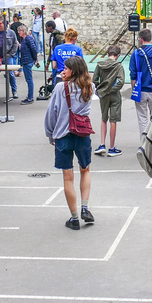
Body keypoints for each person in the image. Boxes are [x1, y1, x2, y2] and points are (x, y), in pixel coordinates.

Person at [43, 55, 96, 229]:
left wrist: (50, 134)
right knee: (85, 169)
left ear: (73, 70)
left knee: (68, 177)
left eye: (65, 68)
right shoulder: (89, 87)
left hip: (63, 135)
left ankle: (74, 218)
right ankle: (85, 207)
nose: (62, 70)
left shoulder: (60, 88)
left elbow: (52, 113)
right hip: (82, 133)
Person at [93, 45, 125, 157]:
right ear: (118, 56)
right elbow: (121, 82)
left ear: (107, 54)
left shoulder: (100, 65)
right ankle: (112, 147)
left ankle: (102, 144)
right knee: (113, 120)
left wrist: (101, 89)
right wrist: (111, 89)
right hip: (114, 95)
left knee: (103, 118)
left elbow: (94, 80)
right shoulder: (119, 66)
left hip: (103, 95)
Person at [0, 18, 20, 102]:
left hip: (8, 56)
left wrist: (11, 54)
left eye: (0, 23)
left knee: (11, 74)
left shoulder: (11, 33)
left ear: (4, 24)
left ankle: (14, 91)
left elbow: (15, 44)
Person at [16, 23, 40, 105]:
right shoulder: (26, 39)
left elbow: (33, 49)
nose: (19, 32)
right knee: (28, 80)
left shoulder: (28, 38)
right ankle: (30, 97)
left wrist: (35, 59)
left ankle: (30, 97)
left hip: (28, 61)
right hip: (27, 60)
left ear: (24, 31)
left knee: (29, 80)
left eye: (20, 31)